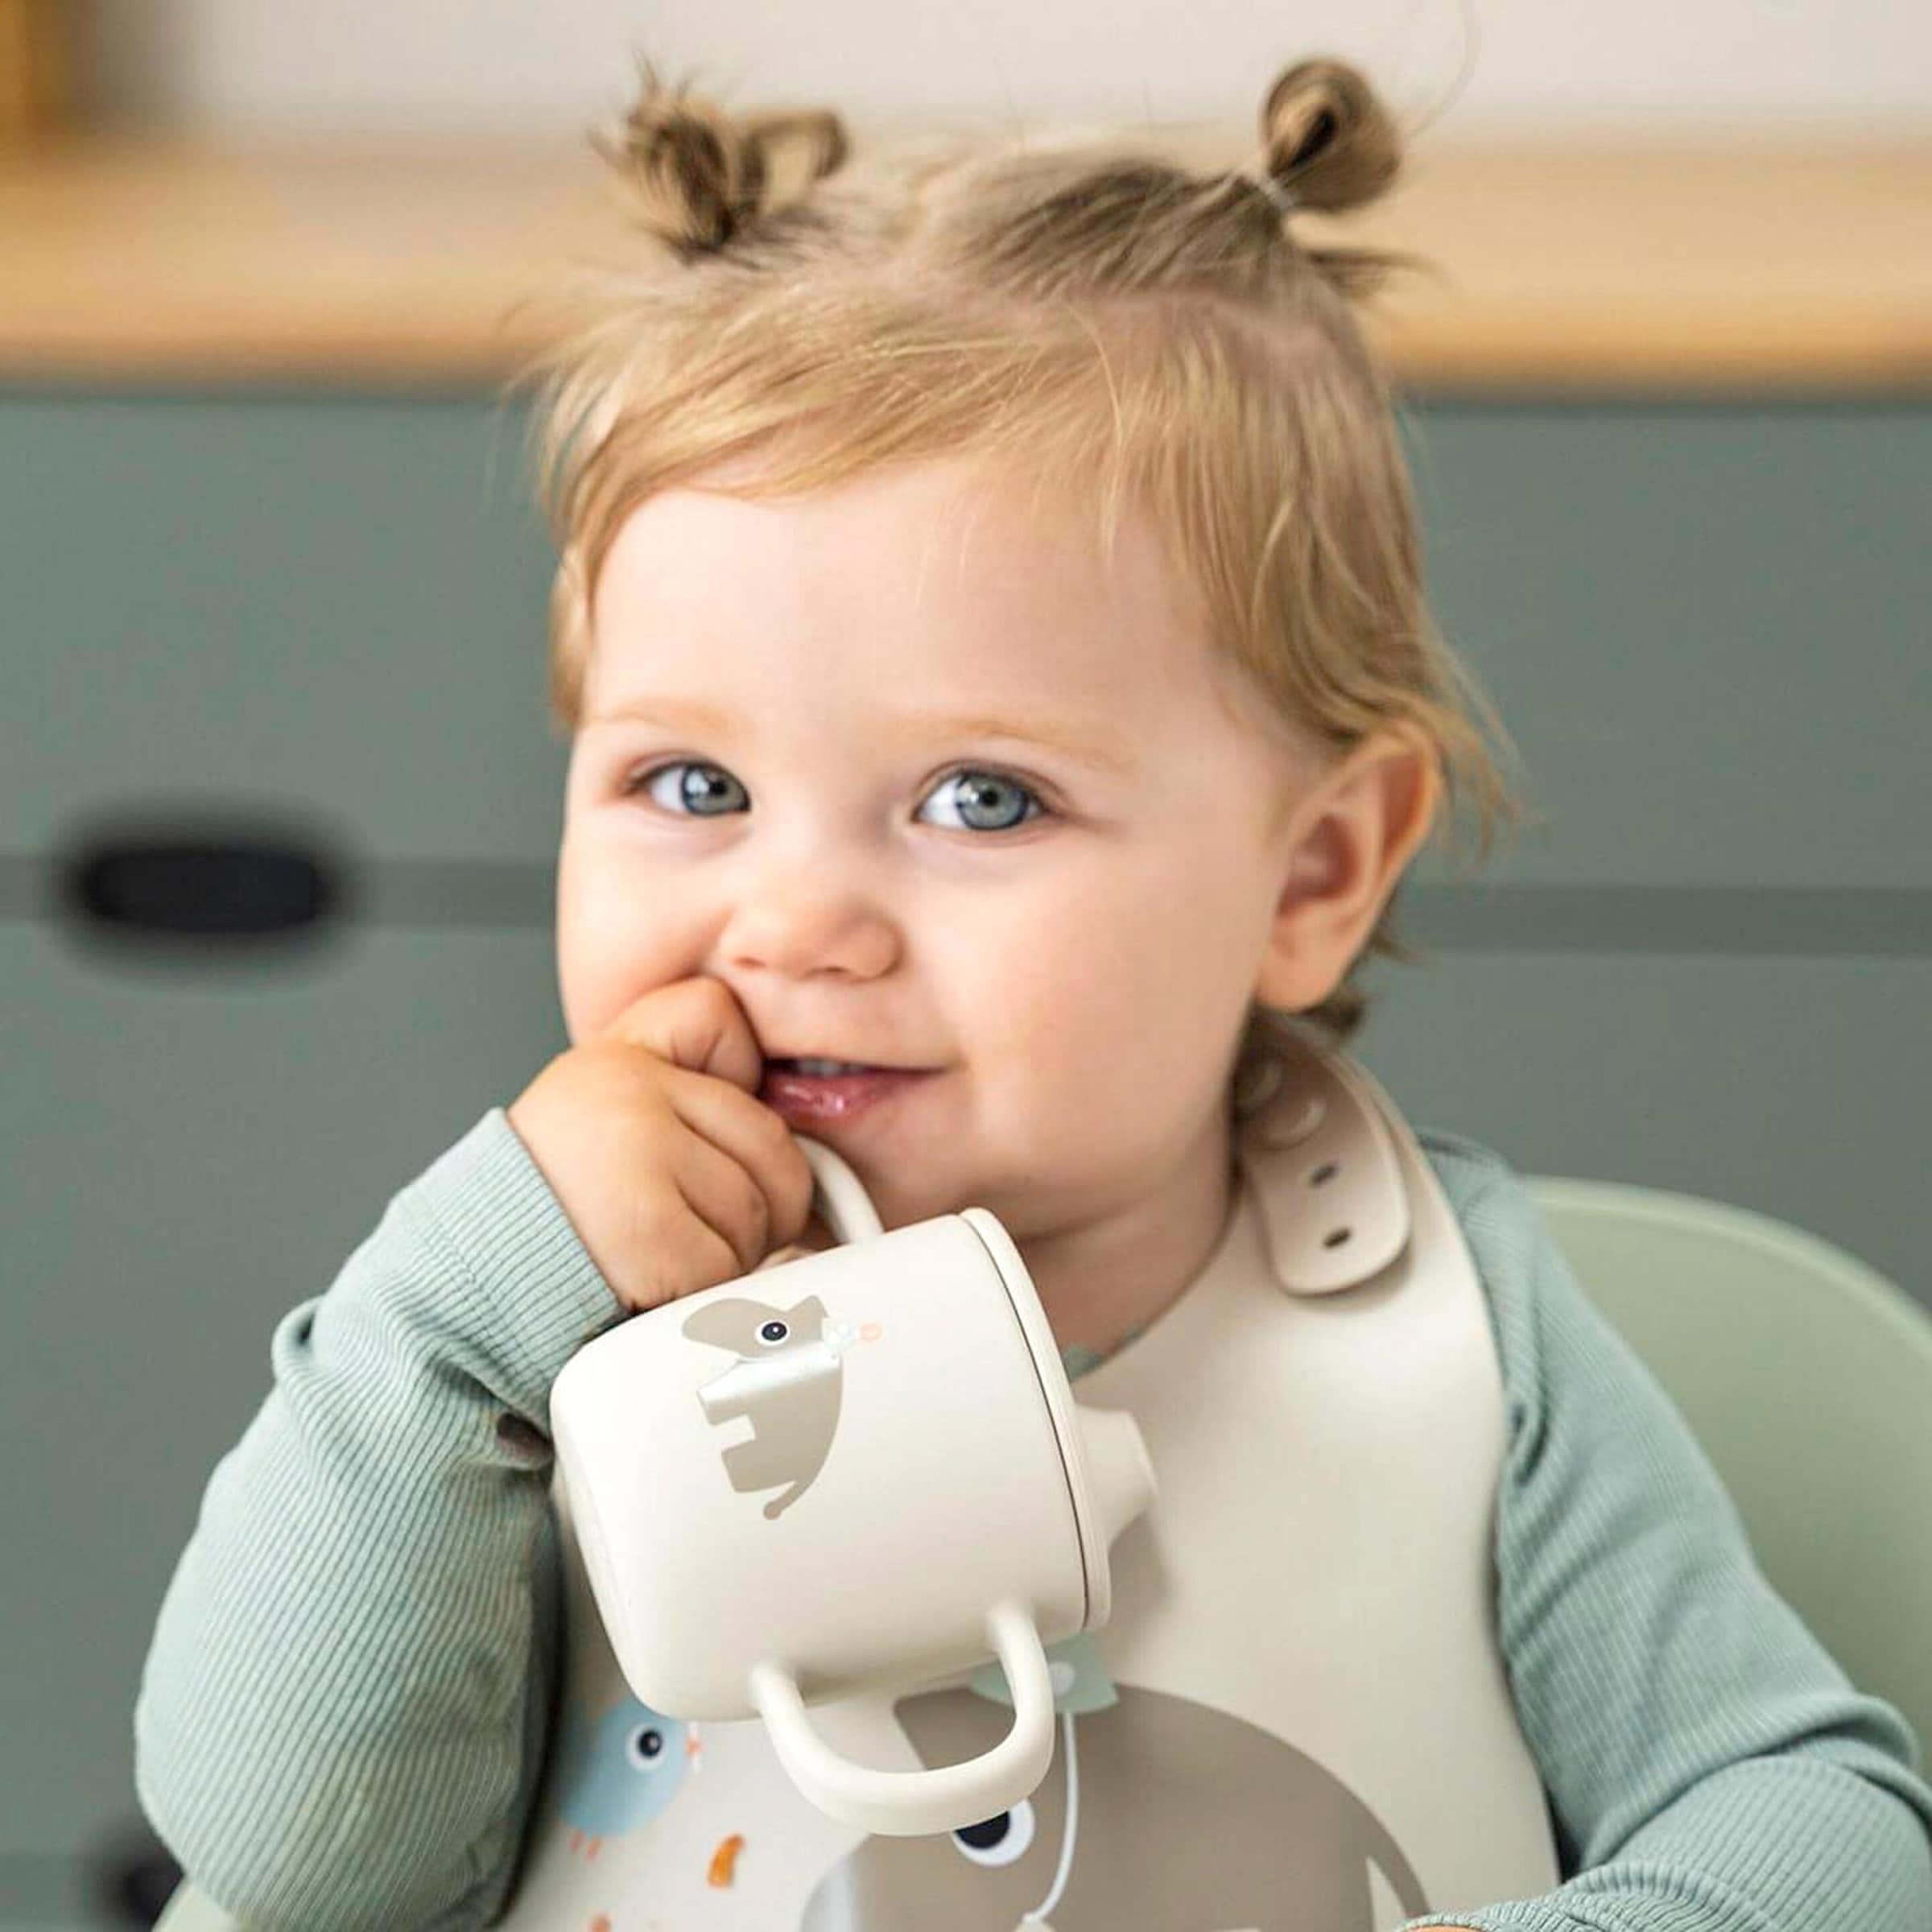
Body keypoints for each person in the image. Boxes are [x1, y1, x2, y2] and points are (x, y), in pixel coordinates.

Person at [133, 51, 1932, 1932]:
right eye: (693, 787)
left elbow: (1817, 1827)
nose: (795, 920)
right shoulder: (505, 1336)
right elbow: (287, 1864)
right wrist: (440, 1332)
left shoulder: (1464, 1351)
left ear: (1312, 873)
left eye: (981, 798)